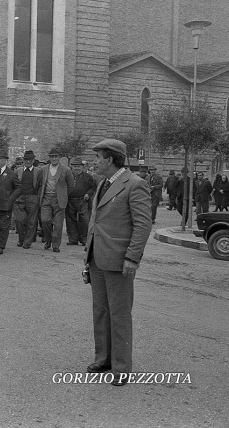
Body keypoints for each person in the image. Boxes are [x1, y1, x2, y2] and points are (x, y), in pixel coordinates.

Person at [84, 138, 151, 386]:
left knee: (120, 314)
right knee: (100, 311)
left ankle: (121, 368)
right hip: (97, 257)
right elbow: (98, 221)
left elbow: (143, 225)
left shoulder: (135, 184)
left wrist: (132, 257)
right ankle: (103, 359)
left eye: (98, 158)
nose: (95, 162)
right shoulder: (103, 183)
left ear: (110, 159)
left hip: (119, 260)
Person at [37, 148, 74, 252]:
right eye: (52, 156)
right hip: (46, 198)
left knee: (58, 224)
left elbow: (71, 185)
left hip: (59, 200)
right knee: (45, 221)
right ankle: (48, 239)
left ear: (59, 158)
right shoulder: (43, 169)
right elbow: (39, 183)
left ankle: (56, 245)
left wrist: (63, 195)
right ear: (49, 158)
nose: (54, 159)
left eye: (56, 156)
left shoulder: (66, 170)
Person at [12, 150, 43, 249]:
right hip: (20, 197)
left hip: (32, 197)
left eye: (30, 160)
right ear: (23, 160)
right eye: (26, 159)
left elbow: (40, 185)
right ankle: (21, 239)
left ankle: (27, 242)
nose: (28, 162)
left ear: (33, 160)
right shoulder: (18, 171)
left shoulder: (38, 171)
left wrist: (38, 198)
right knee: (19, 220)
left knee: (32, 221)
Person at [66, 157, 96, 246]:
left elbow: (93, 187)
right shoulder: (68, 176)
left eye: (78, 166)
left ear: (82, 167)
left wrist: (88, 194)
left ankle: (84, 239)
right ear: (72, 167)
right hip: (69, 201)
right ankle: (73, 239)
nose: (77, 168)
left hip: (82, 201)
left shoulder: (88, 177)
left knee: (85, 220)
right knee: (70, 220)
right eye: (75, 166)